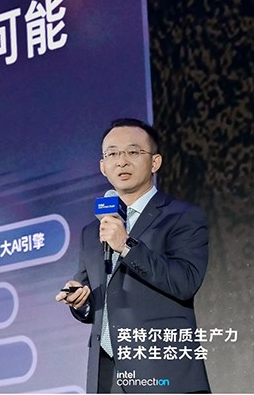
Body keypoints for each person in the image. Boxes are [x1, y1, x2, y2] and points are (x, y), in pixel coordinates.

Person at [56, 118, 210, 393]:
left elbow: (185, 282)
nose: (122, 161)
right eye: (112, 154)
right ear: (103, 166)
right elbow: (94, 299)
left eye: (133, 152)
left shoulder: (182, 216)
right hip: (108, 377)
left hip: (164, 376)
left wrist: (126, 245)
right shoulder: (93, 231)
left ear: (155, 162)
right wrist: (79, 301)